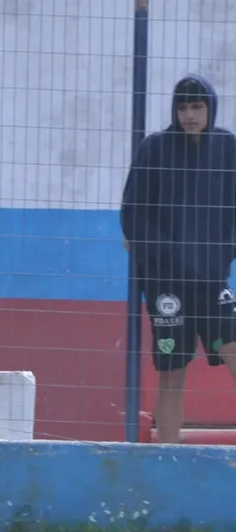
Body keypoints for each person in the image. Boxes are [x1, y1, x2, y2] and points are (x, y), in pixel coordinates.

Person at [121, 74, 236, 444]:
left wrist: (220, 256)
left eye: (197, 106)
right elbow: (133, 214)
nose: (189, 115)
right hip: (165, 285)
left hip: (212, 281)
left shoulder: (228, 147)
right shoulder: (153, 148)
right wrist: (169, 255)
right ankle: (167, 458)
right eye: (183, 107)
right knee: (172, 374)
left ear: (210, 108)